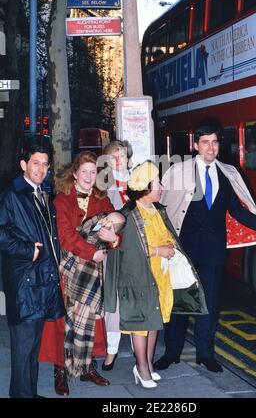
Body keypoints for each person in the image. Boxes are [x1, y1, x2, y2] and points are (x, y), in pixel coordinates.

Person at [154, 118, 256, 373]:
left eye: (215, 142)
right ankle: (171, 352)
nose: (210, 148)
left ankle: (205, 354)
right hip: (182, 250)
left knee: (209, 304)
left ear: (219, 145)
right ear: (196, 145)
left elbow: (237, 211)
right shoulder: (177, 171)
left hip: (214, 251)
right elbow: (161, 208)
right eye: (205, 142)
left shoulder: (228, 173)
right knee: (179, 305)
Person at [104, 161, 207, 388]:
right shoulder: (128, 214)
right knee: (140, 325)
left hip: (159, 276)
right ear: (144, 187)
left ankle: (147, 364)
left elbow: (167, 234)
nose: (161, 186)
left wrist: (170, 247)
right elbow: (127, 249)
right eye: (157, 182)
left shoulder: (157, 210)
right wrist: (160, 250)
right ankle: (141, 368)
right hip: (137, 278)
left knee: (153, 322)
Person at [39, 151, 120, 395]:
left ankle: (86, 368)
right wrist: (90, 252)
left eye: (92, 172)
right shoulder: (61, 200)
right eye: (83, 171)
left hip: (93, 272)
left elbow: (117, 225)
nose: (88, 176)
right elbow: (64, 236)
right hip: (68, 270)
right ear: (75, 174)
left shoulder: (103, 200)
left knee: (90, 322)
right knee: (64, 322)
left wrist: (114, 238)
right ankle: (60, 370)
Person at [0, 141, 65, 398]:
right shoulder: (12, 195)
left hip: (41, 281)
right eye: (35, 163)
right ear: (23, 164)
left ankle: (28, 393)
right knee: (23, 348)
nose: (41, 169)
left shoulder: (41, 195)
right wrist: (29, 250)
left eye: (45, 164)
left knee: (32, 347)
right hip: (25, 282)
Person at [98, 140, 132, 371]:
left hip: (139, 251)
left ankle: (143, 356)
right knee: (113, 303)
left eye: (122, 156)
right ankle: (111, 351)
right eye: (114, 158)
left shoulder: (141, 181)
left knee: (141, 300)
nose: (119, 161)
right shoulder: (103, 187)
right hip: (114, 251)